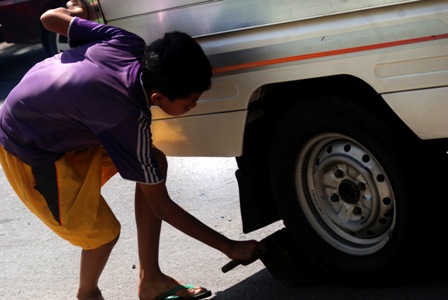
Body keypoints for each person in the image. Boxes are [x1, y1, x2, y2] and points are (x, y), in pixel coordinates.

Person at [0, 1, 262, 299]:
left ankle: (150, 279)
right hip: (27, 150)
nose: (194, 107)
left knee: (153, 163)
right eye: (189, 102)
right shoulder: (127, 117)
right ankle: (88, 294)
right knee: (102, 235)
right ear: (158, 97)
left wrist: (77, 14)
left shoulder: (126, 42)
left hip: (55, 126)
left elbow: (49, 18)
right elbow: (162, 206)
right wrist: (229, 246)